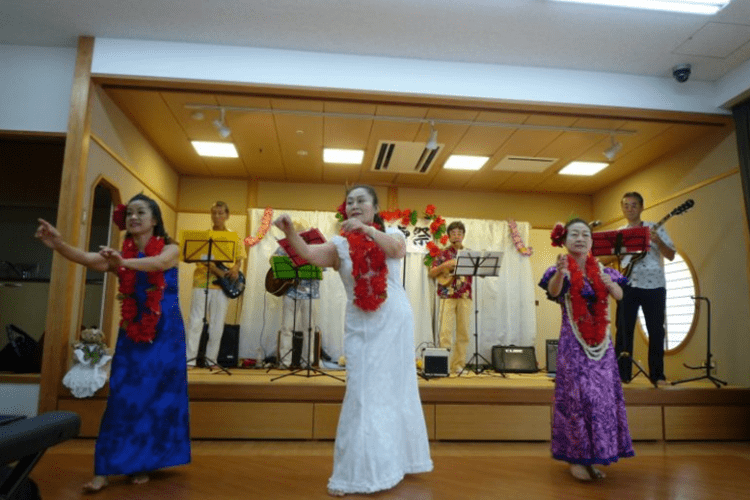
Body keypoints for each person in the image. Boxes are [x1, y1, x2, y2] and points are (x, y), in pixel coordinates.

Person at [273, 185, 432, 496]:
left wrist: (367, 231)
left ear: (374, 208)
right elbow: (307, 255)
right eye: (350, 201)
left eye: (362, 201)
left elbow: (398, 251)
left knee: (394, 390)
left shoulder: (392, 236)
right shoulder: (340, 245)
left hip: (395, 322)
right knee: (361, 393)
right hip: (361, 324)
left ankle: (395, 461)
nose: (355, 205)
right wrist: (291, 231)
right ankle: (357, 472)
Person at [35, 193, 190, 492]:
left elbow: (157, 264)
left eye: (140, 212)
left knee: (157, 399)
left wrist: (123, 262)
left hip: (166, 335)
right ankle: (104, 469)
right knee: (122, 396)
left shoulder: (170, 249)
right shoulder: (121, 255)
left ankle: (141, 463)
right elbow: (89, 259)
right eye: (129, 213)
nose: (133, 217)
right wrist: (59, 244)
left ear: (155, 219)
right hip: (133, 334)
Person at [539, 218, 634, 481]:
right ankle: (575, 459)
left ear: (591, 241)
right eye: (574, 234)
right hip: (573, 346)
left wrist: (611, 284)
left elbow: (620, 295)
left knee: (601, 400)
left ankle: (595, 457)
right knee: (577, 399)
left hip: (602, 346)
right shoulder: (559, 269)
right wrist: (560, 274)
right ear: (565, 240)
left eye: (585, 235)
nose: (580, 238)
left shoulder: (603, 269)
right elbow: (554, 291)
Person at [615, 192, 675, 386]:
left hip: (654, 285)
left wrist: (659, 242)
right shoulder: (619, 232)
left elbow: (671, 255)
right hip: (628, 285)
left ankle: (657, 375)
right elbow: (608, 258)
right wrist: (620, 250)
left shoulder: (654, 229)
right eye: (626, 205)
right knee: (624, 330)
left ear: (641, 208)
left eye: (633, 205)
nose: (629, 209)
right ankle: (622, 374)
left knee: (656, 330)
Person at [185, 201, 246, 369]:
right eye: (214, 213)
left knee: (217, 324)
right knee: (196, 321)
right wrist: (211, 266)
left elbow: (239, 258)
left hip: (222, 285)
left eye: (221, 213)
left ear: (227, 216)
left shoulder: (234, 237)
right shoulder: (204, 237)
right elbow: (196, 256)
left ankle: (211, 360)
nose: (217, 216)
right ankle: (189, 360)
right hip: (202, 282)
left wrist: (235, 267)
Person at [273, 219, 321, 369]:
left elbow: (323, 267)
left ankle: (307, 361)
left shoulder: (315, 248)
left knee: (309, 328)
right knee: (286, 327)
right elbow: (274, 262)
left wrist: (307, 260)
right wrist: (289, 262)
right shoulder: (285, 247)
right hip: (291, 291)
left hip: (311, 292)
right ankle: (285, 362)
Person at [428, 221, 472, 374]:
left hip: (465, 294)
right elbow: (432, 272)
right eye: (453, 233)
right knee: (445, 331)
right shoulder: (442, 254)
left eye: (459, 233)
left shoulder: (469, 253)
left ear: (463, 235)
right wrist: (445, 264)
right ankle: (443, 364)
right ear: (448, 236)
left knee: (463, 332)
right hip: (447, 294)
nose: (457, 236)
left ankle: (458, 365)